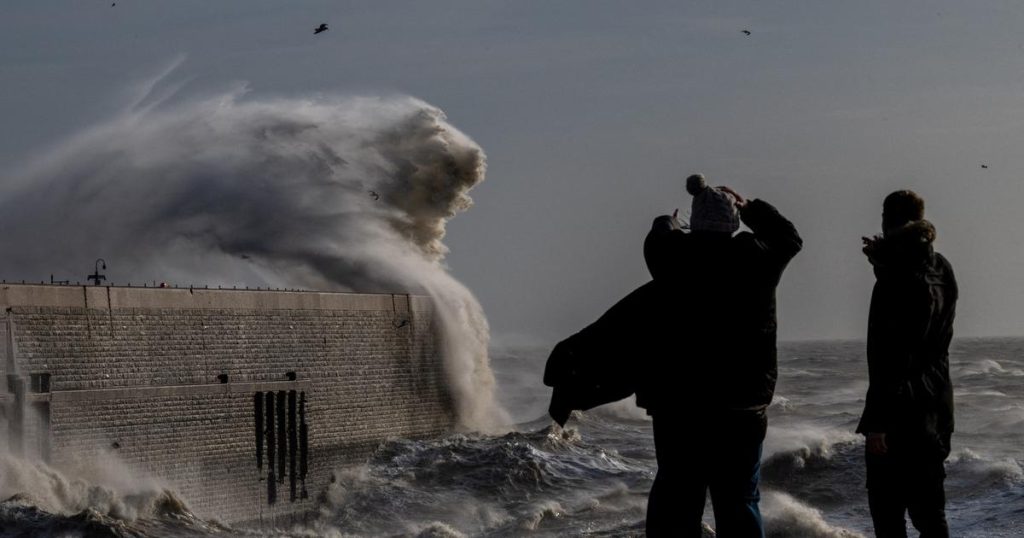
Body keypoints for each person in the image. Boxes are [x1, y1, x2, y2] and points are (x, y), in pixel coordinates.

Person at [640, 173, 802, 537]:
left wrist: (670, 220)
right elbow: (789, 238)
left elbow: (657, 236)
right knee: (739, 502)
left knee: (676, 503)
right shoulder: (758, 258)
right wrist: (752, 208)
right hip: (741, 408)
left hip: (679, 409)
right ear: (732, 221)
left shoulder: (671, 256)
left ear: (694, 222)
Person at [857, 190, 957, 538]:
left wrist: (878, 423)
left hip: (899, 412)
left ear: (886, 222)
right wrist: (882, 261)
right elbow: (919, 293)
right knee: (931, 515)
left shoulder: (895, 282)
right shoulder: (941, 267)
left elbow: (892, 354)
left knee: (888, 518)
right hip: (936, 408)